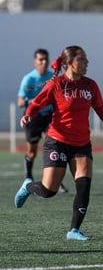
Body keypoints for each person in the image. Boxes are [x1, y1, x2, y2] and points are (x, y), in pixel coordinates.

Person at [14, 45, 103, 241]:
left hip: (82, 144)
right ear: (69, 63)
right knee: (48, 190)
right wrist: (28, 115)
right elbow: (37, 104)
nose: (87, 63)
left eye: (86, 60)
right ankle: (27, 188)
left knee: (84, 186)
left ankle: (74, 230)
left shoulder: (90, 85)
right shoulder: (56, 84)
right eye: (82, 60)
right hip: (57, 142)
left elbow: (101, 110)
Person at [17, 49, 68, 193]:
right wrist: (34, 101)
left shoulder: (53, 77)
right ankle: (28, 177)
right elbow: (20, 102)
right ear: (35, 62)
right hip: (33, 117)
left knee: (56, 146)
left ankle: (57, 182)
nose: (44, 62)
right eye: (41, 59)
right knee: (31, 151)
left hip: (50, 116)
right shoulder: (29, 79)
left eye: (46, 59)